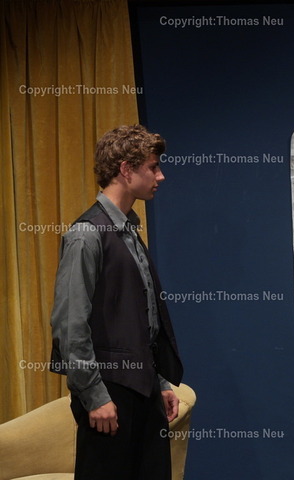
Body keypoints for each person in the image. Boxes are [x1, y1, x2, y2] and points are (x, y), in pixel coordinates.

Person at [49, 125, 183, 480]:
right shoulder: (86, 234)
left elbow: (140, 322)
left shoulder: (130, 232)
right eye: (152, 167)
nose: (160, 176)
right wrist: (94, 395)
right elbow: (70, 325)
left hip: (143, 391)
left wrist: (159, 382)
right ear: (126, 169)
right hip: (109, 395)